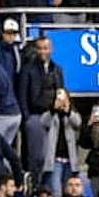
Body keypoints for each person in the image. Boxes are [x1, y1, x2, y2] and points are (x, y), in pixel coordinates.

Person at [20, 36, 65, 177]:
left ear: (51, 49)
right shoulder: (27, 69)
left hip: (53, 116)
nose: (42, 51)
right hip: (35, 116)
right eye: (39, 48)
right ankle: (34, 185)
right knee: (37, 157)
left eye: (45, 48)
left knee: (50, 157)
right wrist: (27, 118)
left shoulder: (57, 69)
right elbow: (22, 95)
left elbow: (61, 90)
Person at [39, 89, 81, 197]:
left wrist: (68, 111)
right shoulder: (51, 115)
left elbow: (78, 123)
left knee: (68, 190)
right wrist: (53, 109)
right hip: (55, 160)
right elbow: (43, 122)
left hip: (70, 161)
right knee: (56, 191)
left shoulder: (72, 114)